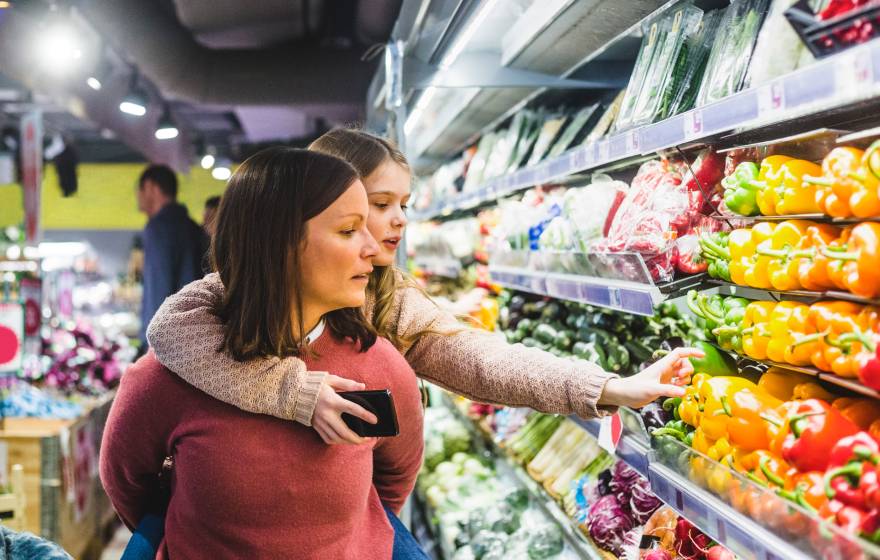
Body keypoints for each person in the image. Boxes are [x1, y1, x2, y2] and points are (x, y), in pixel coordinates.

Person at [147, 128, 699, 446]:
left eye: (401, 206)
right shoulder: (229, 299)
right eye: (377, 206)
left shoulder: (386, 296)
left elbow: (478, 360)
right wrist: (292, 391)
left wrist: (607, 387)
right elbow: (172, 332)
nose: (395, 222)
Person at [101, 148, 426, 559]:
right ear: (279, 245)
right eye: (348, 231)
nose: (372, 247)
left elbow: (394, 478)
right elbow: (126, 480)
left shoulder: (380, 365)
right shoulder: (165, 378)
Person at [135, 164, 208, 350]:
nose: (138, 197)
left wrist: (149, 347)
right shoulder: (192, 227)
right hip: (194, 337)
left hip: (167, 345)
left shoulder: (158, 228)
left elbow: (158, 288)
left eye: (139, 190)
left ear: (151, 187)